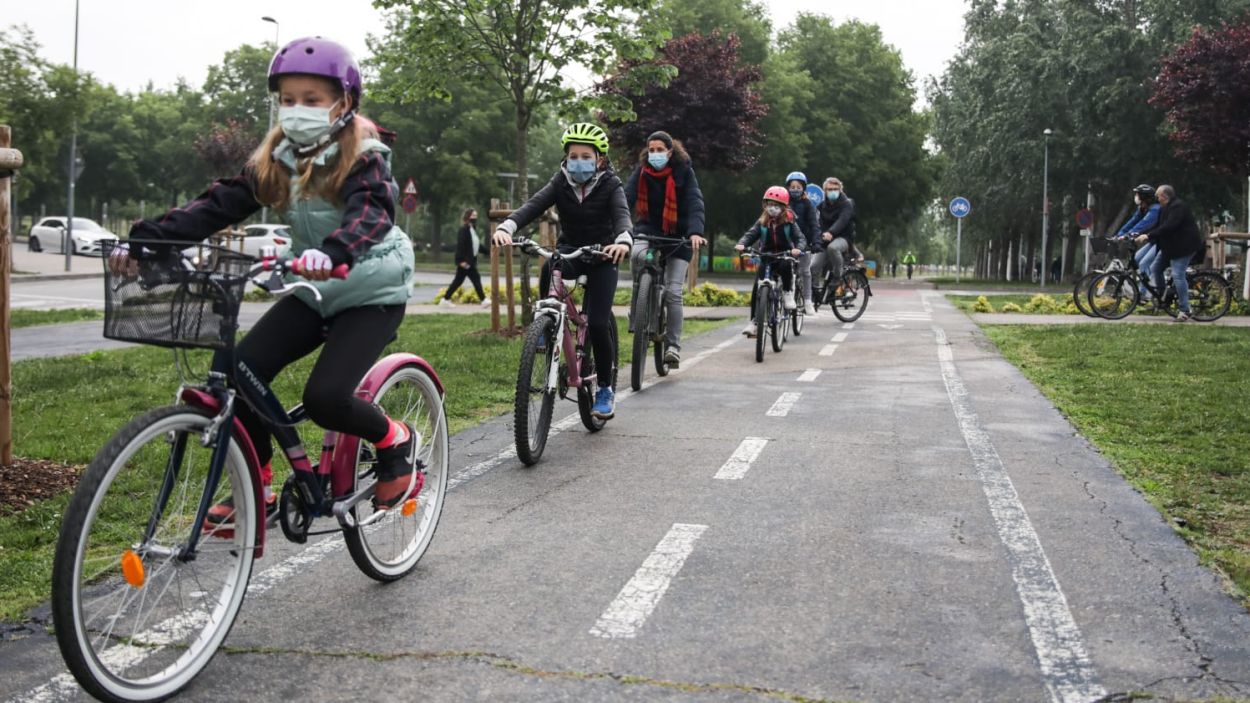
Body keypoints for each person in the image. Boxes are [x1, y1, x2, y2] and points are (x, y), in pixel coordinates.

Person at [110, 37, 419, 518]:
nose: (297, 111)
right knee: (240, 371)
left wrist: (334, 251)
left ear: (344, 103)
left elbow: (371, 213)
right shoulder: (277, 161)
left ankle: (394, 440)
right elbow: (218, 205)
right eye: (288, 100)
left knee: (326, 398)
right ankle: (258, 485)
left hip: (371, 289)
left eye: (312, 100)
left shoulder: (364, 156)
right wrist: (148, 240)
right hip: (315, 289)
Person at [493, 123, 631, 418]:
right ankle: (546, 324)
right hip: (571, 251)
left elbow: (621, 215)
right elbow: (533, 205)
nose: (578, 161)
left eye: (585, 156)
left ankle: (605, 387)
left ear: (600, 159)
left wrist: (622, 240)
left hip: (603, 255)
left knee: (596, 323)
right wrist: (507, 226)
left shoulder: (611, 184)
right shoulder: (561, 182)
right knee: (549, 265)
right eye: (573, 155)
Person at [624, 130, 706, 368]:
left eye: (660, 150)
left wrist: (695, 232)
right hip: (648, 229)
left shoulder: (685, 173)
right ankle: (639, 313)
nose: (655, 154)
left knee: (672, 291)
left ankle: (673, 346)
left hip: (678, 235)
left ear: (670, 152)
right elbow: (625, 198)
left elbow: (695, 202)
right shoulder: (641, 172)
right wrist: (619, 229)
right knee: (637, 256)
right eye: (651, 150)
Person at [735, 186, 804, 337]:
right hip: (766, 255)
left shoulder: (789, 221)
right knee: (757, 287)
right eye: (769, 204)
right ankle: (754, 322)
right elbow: (750, 234)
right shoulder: (762, 222)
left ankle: (787, 293)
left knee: (786, 266)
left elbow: (800, 238)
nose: (772, 208)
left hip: (784, 254)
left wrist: (798, 248)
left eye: (776, 205)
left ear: (784, 207)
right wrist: (742, 244)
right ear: (764, 205)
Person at [1136, 184, 1202, 321]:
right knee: (1155, 269)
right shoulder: (1164, 208)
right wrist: (1140, 233)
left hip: (1184, 247)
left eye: (1158, 195)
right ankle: (1164, 297)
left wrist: (1149, 236)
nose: (1156, 198)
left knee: (1178, 275)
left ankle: (1185, 310)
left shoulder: (1178, 207)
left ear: (1164, 196)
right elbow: (1158, 226)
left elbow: (1169, 226)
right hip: (1170, 248)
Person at [812, 177, 857, 302]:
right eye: (830, 189)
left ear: (840, 190)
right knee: (813, 267)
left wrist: (831, 232)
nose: (833, 191)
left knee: (833, 248)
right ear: (825, 191)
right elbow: (817, 223)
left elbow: (842, 220)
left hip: (843, 238)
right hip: (825, 239)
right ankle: (815, 294)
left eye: (836, 189)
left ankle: (838, 276)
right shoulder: (821, 205)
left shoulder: (847, 204)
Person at [1115, 184, 1161, 299]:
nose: (1136, 196)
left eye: (1137, 194)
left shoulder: (1155, 209)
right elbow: (1132, 222)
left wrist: (1127, 236)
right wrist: (1119, 235)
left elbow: (1142, 226)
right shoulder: (1142, 208)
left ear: (1144, 197)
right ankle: (1148, 286)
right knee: (1136, 260)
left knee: (1144, 264)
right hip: (1153, 240)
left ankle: (1145, 293)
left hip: (1162, 241)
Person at [785, 171, 821, 314]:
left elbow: (814, 225)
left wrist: (816, 242)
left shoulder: (808, 204)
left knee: (805, 271)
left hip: (804, 242)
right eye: (792, 186)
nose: (795, 189)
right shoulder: (784, 203)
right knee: (785, 269)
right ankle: (786, 293)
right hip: (787, 242)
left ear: (804, 188)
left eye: (798, 186)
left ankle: (807, 300)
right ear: (787, 187)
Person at [440, 208, 490, 307]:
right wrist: (460, 261)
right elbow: (461, 246)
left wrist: (488, 251)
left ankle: (445, 299)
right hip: (466, 262)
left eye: (476, 216)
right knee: (475, 278)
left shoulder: (472, 230)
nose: (475, 218)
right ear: (467, 217)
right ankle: (483, 300)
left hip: (469, 261)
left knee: (458, 281)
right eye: (473, 216)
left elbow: (476, 245)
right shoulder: (464, 230)